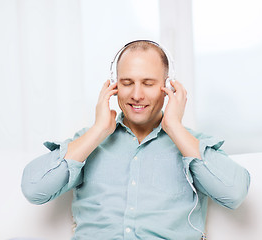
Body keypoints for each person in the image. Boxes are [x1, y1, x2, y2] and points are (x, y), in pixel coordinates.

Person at [21, 40, 250, 240]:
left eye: (148, 83)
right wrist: (99, 130)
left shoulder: (192, 144)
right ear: (114, 86)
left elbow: (234, 193)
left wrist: (174, 128)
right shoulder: (88, 141)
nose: (136, 95)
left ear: (168, 87)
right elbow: (34, 189)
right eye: (127, 83)